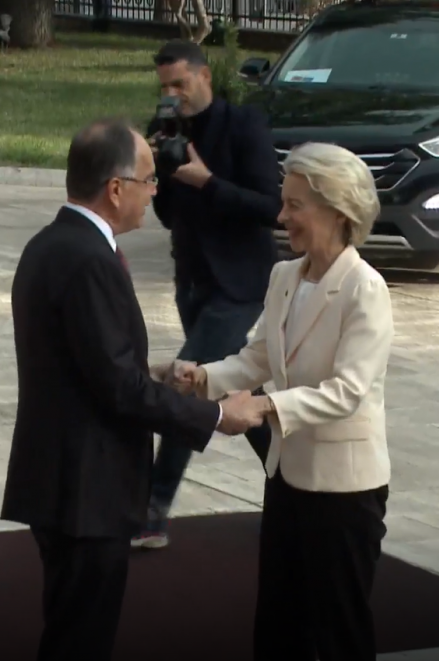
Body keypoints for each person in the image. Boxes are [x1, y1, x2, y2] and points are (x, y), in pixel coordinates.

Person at [0, 119, 267, 661]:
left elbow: (88, 364)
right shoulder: (88, 260)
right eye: (149, 180)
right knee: (81, 640)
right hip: (86, 490)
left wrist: (157, 374)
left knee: (72, 631)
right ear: (116, 188)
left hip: (62, 481)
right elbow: (118, 389)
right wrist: (218, 417)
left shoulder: (50, 244)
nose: (155, 191)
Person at [168, 142, 394, 661]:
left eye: (295, 205)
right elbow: (259, 357)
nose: (281, 216)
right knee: (277, 626)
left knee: (338, 634)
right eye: (283, 202)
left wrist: (265, 408)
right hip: (288, 480)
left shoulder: (365, 289)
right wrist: (202, 377)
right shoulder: (284, 276)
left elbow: (348, 391)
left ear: (338, 213)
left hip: (345, 491)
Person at [133, 39, 283, 549]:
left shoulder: (244, 125)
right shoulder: (168, 130)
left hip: (240, 284)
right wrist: (160, 172)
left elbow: (270, 207)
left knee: (187, 384)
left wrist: (207, 181)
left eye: (180, 83)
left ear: (204, 77)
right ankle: (295, 481)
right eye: (165, 86)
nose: (173, 94)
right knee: (223, 386)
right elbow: (168, 215)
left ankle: (153, 510)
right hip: (192, 282)